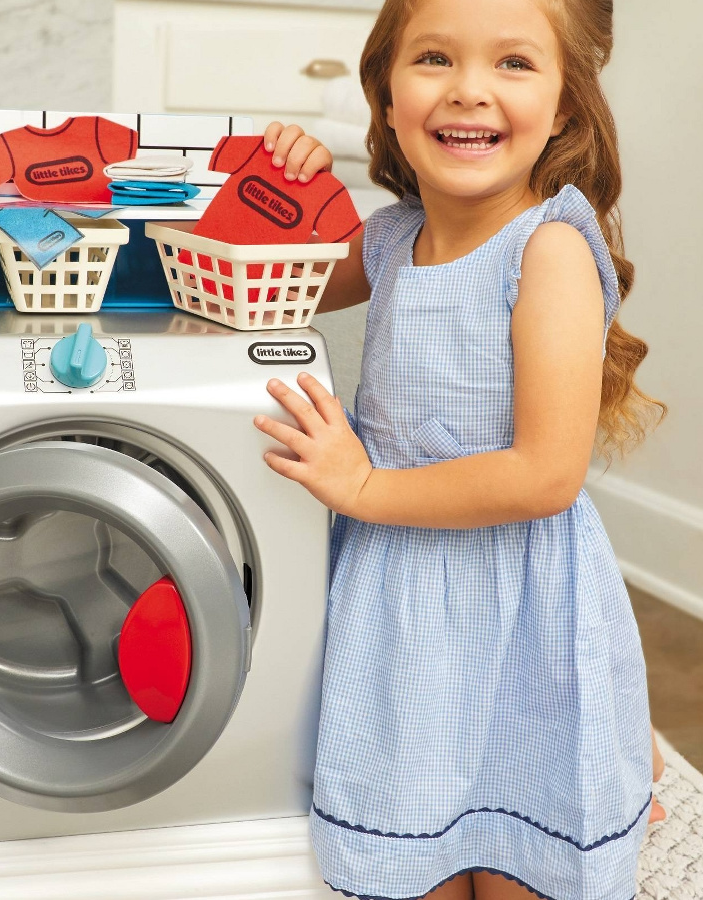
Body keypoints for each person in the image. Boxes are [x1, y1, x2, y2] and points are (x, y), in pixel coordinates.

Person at [250, 0, 668, 897]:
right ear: (389, 96)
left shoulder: (547, 247)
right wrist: (296, 191)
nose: (470, 90)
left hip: (516, 603)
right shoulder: (393, 236)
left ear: (563, 107)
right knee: (412, 844)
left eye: (514, 64)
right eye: (435, 58)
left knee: (520, 847)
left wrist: (361, 485)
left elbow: (545, 474)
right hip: (402, 601)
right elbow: (271, 288)